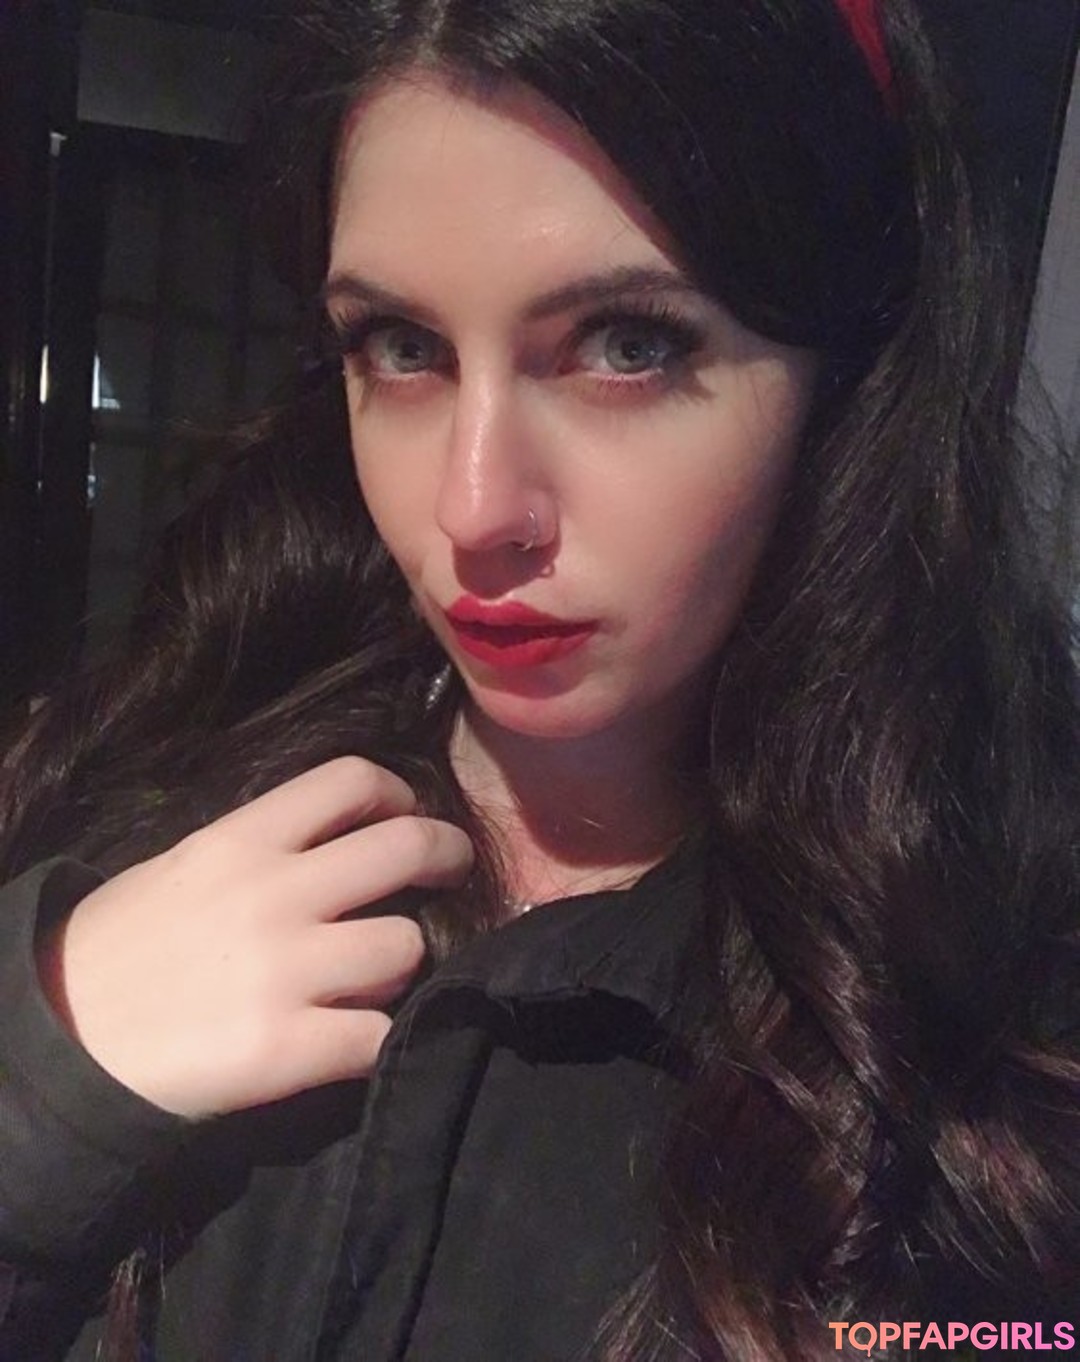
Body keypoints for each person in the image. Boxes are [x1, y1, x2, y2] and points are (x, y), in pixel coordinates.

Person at [1, 0, 1077, 1357]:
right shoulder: (146, 792)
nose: (472, 510)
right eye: (402, 347)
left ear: (847, 376)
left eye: (628, 344)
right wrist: (38, 1079)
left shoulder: (1009, 1008)